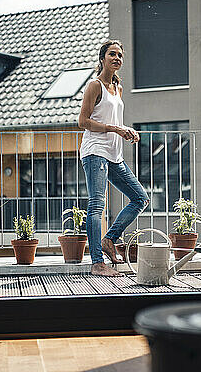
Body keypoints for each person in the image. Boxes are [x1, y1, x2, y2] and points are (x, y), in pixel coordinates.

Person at [78, 40, 149, 277]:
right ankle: (97, 263)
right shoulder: (94, 85)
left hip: (114, 154)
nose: (117, 58)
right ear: (102, 59)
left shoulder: (117, 87)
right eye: (112, 54)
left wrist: (127, 130)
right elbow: (83, 122)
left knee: (140, 198)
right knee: (97, 205)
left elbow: (114, 119)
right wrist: (115, 129)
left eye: (120, 55)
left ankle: (110, 239)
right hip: (95, 152)